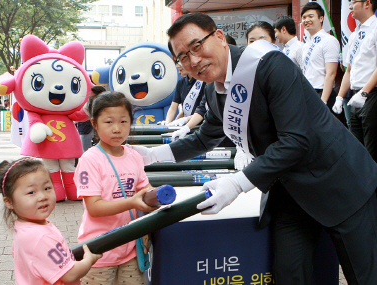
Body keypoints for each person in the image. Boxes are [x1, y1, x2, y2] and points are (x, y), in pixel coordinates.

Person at [130, 12, 377, 284]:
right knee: (289, 275)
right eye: (183, 57)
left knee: (363, 276)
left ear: (220, 37)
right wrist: (153, 155)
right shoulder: (214, 90)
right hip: (291, 193)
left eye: (197, 47)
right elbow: (205, 137)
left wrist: (237, 184)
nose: (194, 60)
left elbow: (296, 140)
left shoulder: (270, 64)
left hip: (341, 184)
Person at [74, 91, 158, 285]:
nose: (117, 129)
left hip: (131, 250)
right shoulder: (90, 160)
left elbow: (144, 189)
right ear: (94, 124)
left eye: (123, 121)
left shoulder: (134, 156)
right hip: (98, 252)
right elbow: (94, 208)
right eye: (109, 122)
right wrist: (131, 202)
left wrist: (156, 198)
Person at [0, 158, 102, 284]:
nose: (42, 197)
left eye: (47, 188)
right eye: (31, 192)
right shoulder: (39, 236)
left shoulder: (25, 227)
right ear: (9, 202)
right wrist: (89, 259)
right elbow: (70, 274)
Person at [332, 0, 377, 162]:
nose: (350, 6)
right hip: (355, 96)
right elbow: (349, 70)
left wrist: (365, 92)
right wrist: (339, 96)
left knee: (371, 149)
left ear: (367, 3)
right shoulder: (354, 35)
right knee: (357, 149)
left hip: (372, 95)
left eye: (353, 2)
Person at [301, 2, 340, 111]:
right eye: (304, 17)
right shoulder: (306, 43)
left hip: (322, 93)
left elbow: (331, 74)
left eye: (310, 16)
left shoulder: (329, 40)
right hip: (308, 93)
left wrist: (323, 101)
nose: (306, 20)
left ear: (321, 18)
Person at [159, 63, 205, 127]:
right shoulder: (181, 82)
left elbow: (204, 110)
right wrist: (167, 122)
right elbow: (173, 107)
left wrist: (185, 119)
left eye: (180, 62)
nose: (178, 66)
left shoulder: (204, 82)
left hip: (201, 126)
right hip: (185, 125)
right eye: (176, 62)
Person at [77, 85, 106, 152]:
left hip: (90, 125)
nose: (90, 94)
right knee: (86, 145)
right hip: (87, 125)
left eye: (92, 93)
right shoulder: (89, 102)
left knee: (87, 145)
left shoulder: (101, 102)